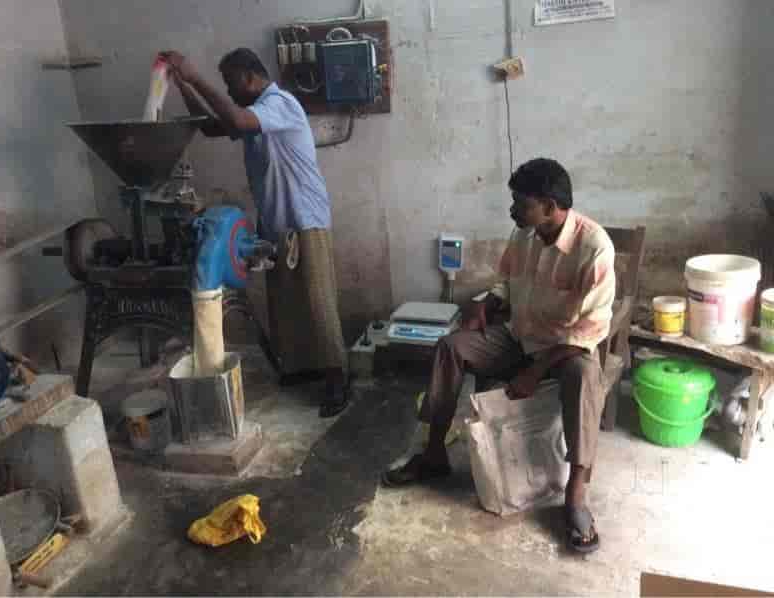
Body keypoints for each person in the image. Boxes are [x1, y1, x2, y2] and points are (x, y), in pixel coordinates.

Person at [382, 158, 615, 553]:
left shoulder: (593, 248)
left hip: (565, 349)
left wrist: (537, 369)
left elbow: (589, 330)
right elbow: (507, 282)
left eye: (521, 203)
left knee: (584, 376)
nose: (513, 210)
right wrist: (485, 305)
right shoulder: (523, 234)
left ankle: (576, 494)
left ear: (550, 206)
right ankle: (434, 452)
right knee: (450, 347)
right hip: (518, 337)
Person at [160, 48, 349, 417]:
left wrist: (196, 75)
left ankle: (339, 380)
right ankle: (304, 369)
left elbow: (233, 118)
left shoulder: (280, 103)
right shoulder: (255, 113)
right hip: (277, 221)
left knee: (317, 302)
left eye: (230, 84)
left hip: (304, 218)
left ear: (249, 77)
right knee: (285, 302)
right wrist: (184, 86)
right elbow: (213, 125)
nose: (229, 92)